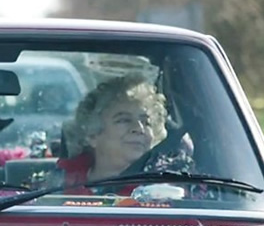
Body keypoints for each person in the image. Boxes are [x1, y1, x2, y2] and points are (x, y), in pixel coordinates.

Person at [55, 72, 194, 196]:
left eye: (146, 122)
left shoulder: (165, 188)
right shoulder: (58, 185)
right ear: (92, 135)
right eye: (124, 120)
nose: (139, 128)